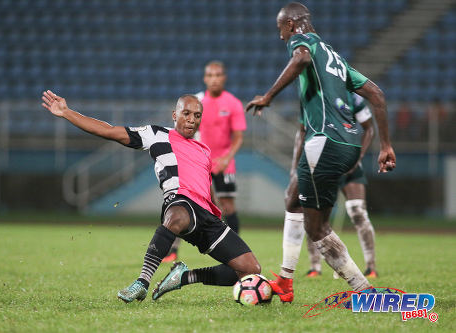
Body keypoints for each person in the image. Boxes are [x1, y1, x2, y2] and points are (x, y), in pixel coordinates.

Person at [41, 91, 261, 303]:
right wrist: (68, 113)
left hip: (207, 216)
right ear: (175, 115)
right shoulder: (156, 134)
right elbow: (109, 130)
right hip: (179, 202)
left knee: (250, 270)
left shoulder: (204, 150)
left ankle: (183, 277)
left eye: (197, 115)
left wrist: (216, 213)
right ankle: (142, 283)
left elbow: (206, 186)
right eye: (186, 113)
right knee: (177, 216)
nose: (192, 120)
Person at [246, 2, 396, 303]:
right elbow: (377, 95)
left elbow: (300, 58)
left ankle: (365, 291)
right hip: (350, 144)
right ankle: (285, 281)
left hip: (324, 142)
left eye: (280, 30)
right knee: (292, 198)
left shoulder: (304, 41)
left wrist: (268, 96)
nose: (281, 37)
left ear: (291, 24)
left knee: (317, 228)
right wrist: (386, 146)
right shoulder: (336, 57)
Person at [163, 61, 246, 262]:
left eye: (218, 75)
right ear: (205, 78)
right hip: (199, 163)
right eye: (210, 75)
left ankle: (236, 251)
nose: (214, 79)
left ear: (224, 77)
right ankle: (172, 250)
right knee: (186, 200)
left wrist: (226, 158)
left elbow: (238, 136)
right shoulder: (197, 102)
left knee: (227, 206)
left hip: (223, 163)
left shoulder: (233, 103)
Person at [300, 93, 377, 278]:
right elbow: (303, 130)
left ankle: (371, 267)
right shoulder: (313, 97)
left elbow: (369, 128)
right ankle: (315, 267)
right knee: (313, 215)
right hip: (322, 162)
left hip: (349, 163)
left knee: (357, 211)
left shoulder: (353, 98)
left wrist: (357, 158)